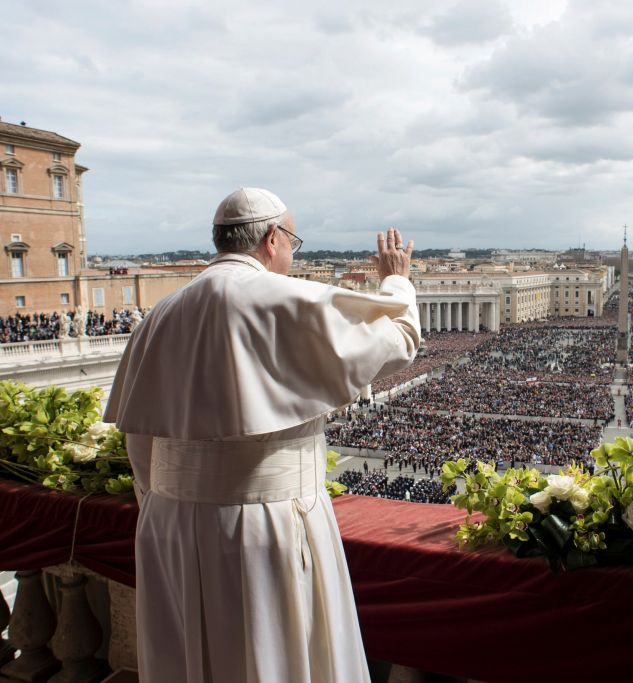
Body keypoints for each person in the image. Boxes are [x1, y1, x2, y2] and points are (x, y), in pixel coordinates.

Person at [104, 187, 419, 683]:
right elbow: (397, 341)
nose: (292, 254)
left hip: (168, 524)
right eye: (293, 242)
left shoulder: (159, 314)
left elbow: (140, 438)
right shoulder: (287, 297)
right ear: (273, 238)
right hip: (264, 523)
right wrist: (397, 280)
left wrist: (166, 502)